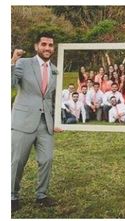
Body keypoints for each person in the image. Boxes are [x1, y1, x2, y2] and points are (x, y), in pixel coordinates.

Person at [11, 32, 62, 212]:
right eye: (44, 44)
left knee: (47, 159)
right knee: (17, 161)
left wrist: (58, 121)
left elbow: (51, 99)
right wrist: (11, 62)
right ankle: (11, 196)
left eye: (50, 45)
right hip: (23, 121)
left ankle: (42, 195)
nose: (47, 48)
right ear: (36, 46)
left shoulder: (56, 70)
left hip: (45, 123)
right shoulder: (23, 63)